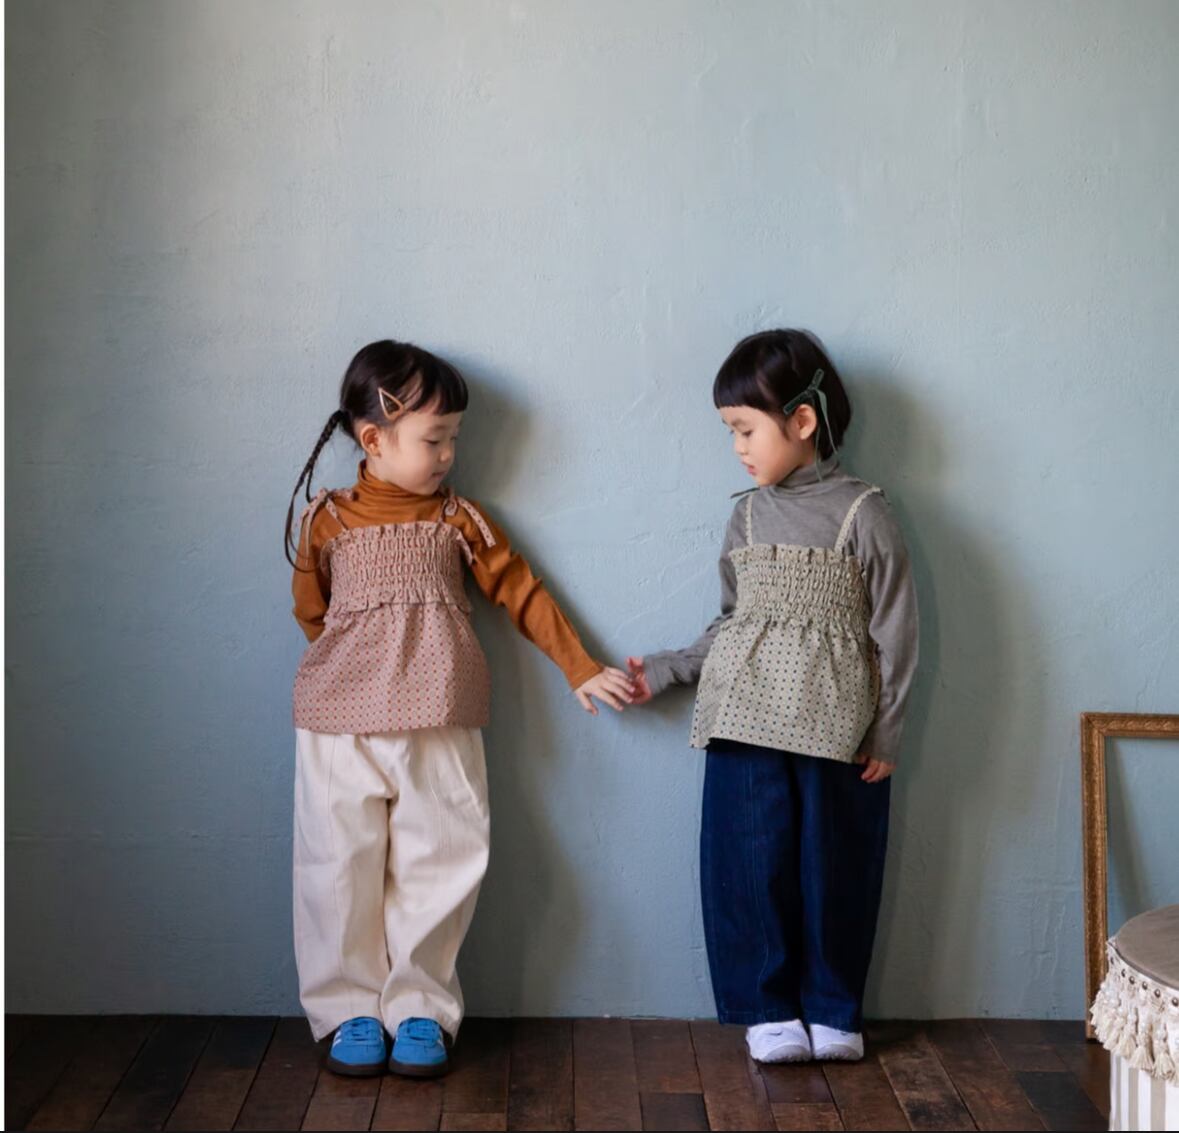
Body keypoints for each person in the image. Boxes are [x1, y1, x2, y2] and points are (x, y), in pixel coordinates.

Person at [286, 339, 634, 1078]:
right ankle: (347, 1008)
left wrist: (579, 666)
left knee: (441, 860)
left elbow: (521, 591)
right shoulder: (326, 522)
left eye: (454, 438)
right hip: (338, 722)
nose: (448, 455)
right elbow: (311, 612)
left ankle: (420, 1005)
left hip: (439, 715)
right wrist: (363, 665)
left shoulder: (460, 520)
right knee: (336, 865)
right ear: (373, 439)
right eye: (433, 439)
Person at [627, 329, 918, 1063]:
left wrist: (886, 732)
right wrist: (667, 668)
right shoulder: (747, 517)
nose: (736, 448)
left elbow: (895, 632)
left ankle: (833, 1008)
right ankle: (767, 1008)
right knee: (749, 865)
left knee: (835, 866)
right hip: (743, 718)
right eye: (730, 431)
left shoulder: (864, 513)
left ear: (802, 420)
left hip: (835, 728)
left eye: (744, 429)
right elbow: (734, 622)